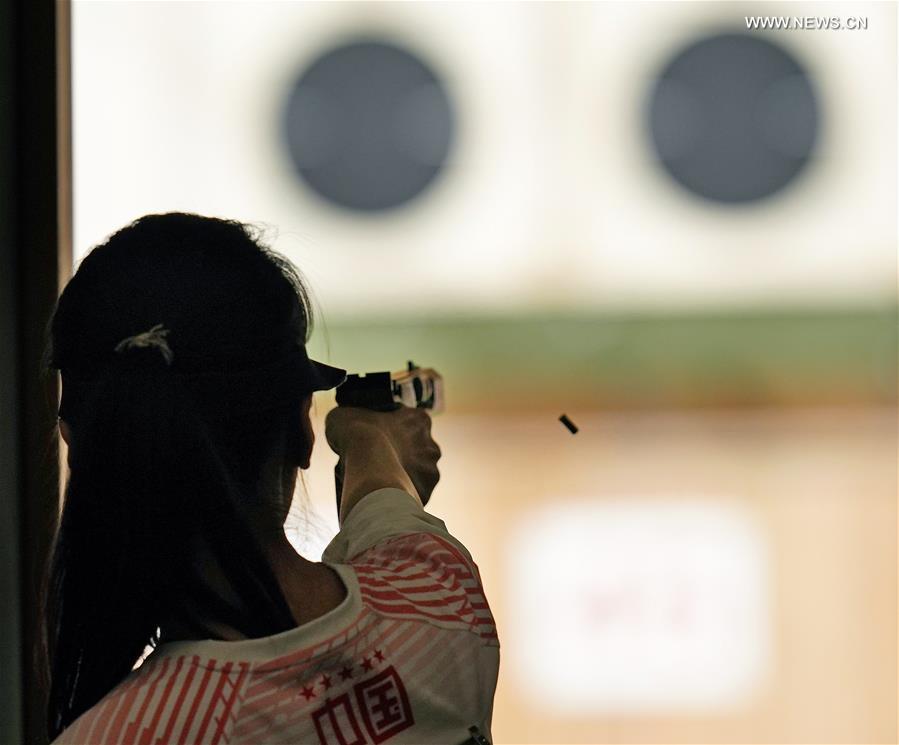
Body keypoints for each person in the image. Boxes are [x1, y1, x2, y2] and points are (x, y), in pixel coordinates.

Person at [42, 212, 499, 744]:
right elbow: (390, 513)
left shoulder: (121, 734)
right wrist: (367, 439)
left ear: (78, 444)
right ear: (302, 426)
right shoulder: (443, 599)